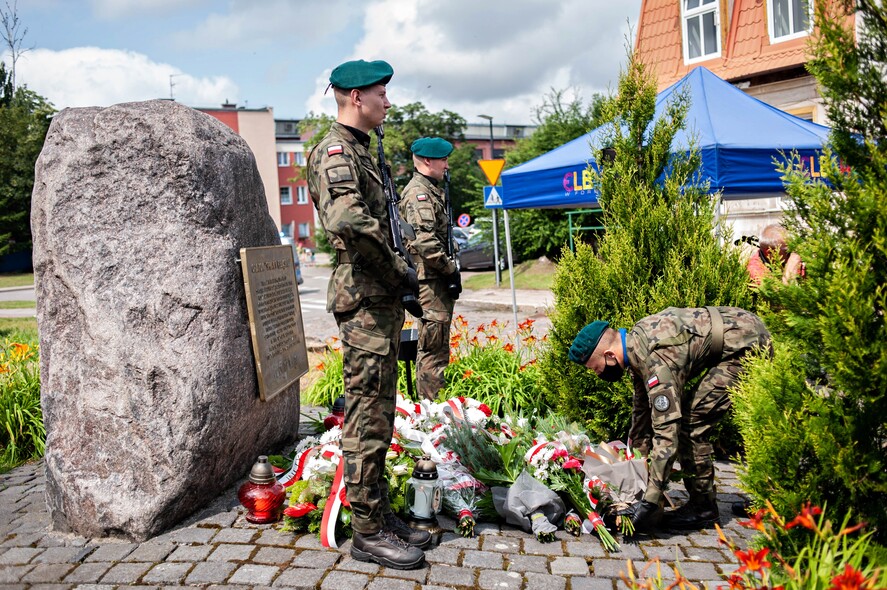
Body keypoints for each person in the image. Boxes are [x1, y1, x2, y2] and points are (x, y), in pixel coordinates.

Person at [306, 59, 428, 570]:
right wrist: (401, 270)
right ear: (356, 97)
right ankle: (367, 532)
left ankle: (377, 513)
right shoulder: (336, 153)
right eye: (381, 93)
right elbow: (349, 222)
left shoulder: (364, 151)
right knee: (365, 415)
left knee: (380, 411)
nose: (388, 102)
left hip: (376, 299)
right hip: (363, 298)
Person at [568, 307, 771, 533]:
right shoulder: (635, 345)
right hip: (739, 328)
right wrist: (635, 468)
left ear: (610, 356)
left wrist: (650, 501)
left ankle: (703, 508)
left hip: (745, 344)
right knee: (689, 416)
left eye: (596, 368)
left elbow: (667, 432)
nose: (599, 374)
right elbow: (642, 412)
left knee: (692, 423)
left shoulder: (656, 360)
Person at [398, 137, 462, 401]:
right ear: (427, 161)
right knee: (432, 351)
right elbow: (424, 241)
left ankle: (434, 407)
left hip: (435, 281)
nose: (447, 165)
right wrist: (450, 269)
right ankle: (430, 410)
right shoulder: (418, 195)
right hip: (430, 282)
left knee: (437, 347)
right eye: (443, 160)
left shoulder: (431, 191)